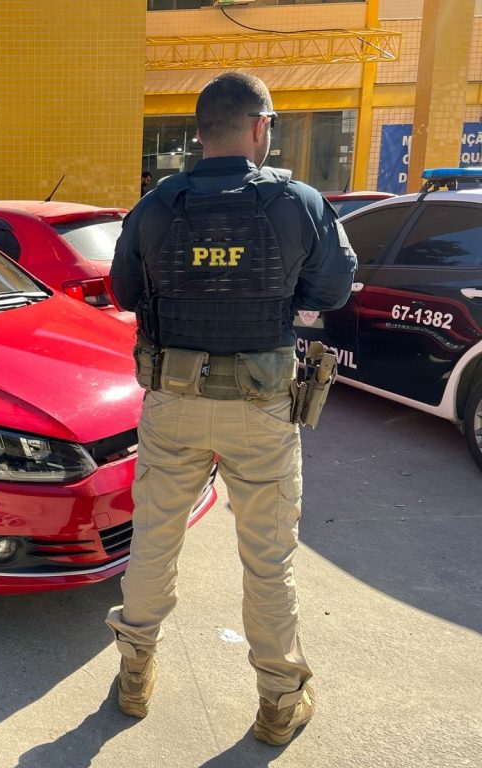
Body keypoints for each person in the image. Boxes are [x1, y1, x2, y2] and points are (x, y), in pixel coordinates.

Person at [106, 72, 356, 746]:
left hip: (173, 402)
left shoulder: (156, 206)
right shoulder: (298, 203)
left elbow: (124, 292)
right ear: (260, 126)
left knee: (154, 541)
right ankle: (279, 700)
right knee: (269, 561)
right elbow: (332, 291)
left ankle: (134, 675)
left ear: (199, 132)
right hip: (260, 406)